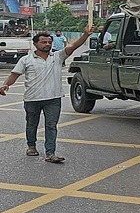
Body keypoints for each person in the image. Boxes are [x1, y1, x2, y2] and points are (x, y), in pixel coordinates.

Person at [0, 26, 94, 163]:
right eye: (44, 42)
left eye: (49, 42)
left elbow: (73, 47)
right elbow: (14, 75)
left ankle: (50, 153)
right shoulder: (26, 60)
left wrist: (85, 35)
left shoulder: (57, 56)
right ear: (35, 44)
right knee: (32, 124)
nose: (47, 44)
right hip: (32, 98)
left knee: (52, 126)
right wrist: (6, 84)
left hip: (53, 99)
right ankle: (31, 146)